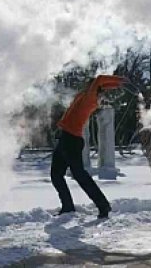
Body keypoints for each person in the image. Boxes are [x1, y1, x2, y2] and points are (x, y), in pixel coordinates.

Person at [51, 74, 125, 219]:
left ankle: (103, 205)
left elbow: (99, 80)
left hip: (71, 141)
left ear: (94, 88)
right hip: (65, 138)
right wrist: (116, 85)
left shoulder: (90, 99)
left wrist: (120, 80)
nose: (86, 85)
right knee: (56, 175)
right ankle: (68, 207)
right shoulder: (84, 95)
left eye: (90, 84)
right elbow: (101, 84)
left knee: (80, 176)